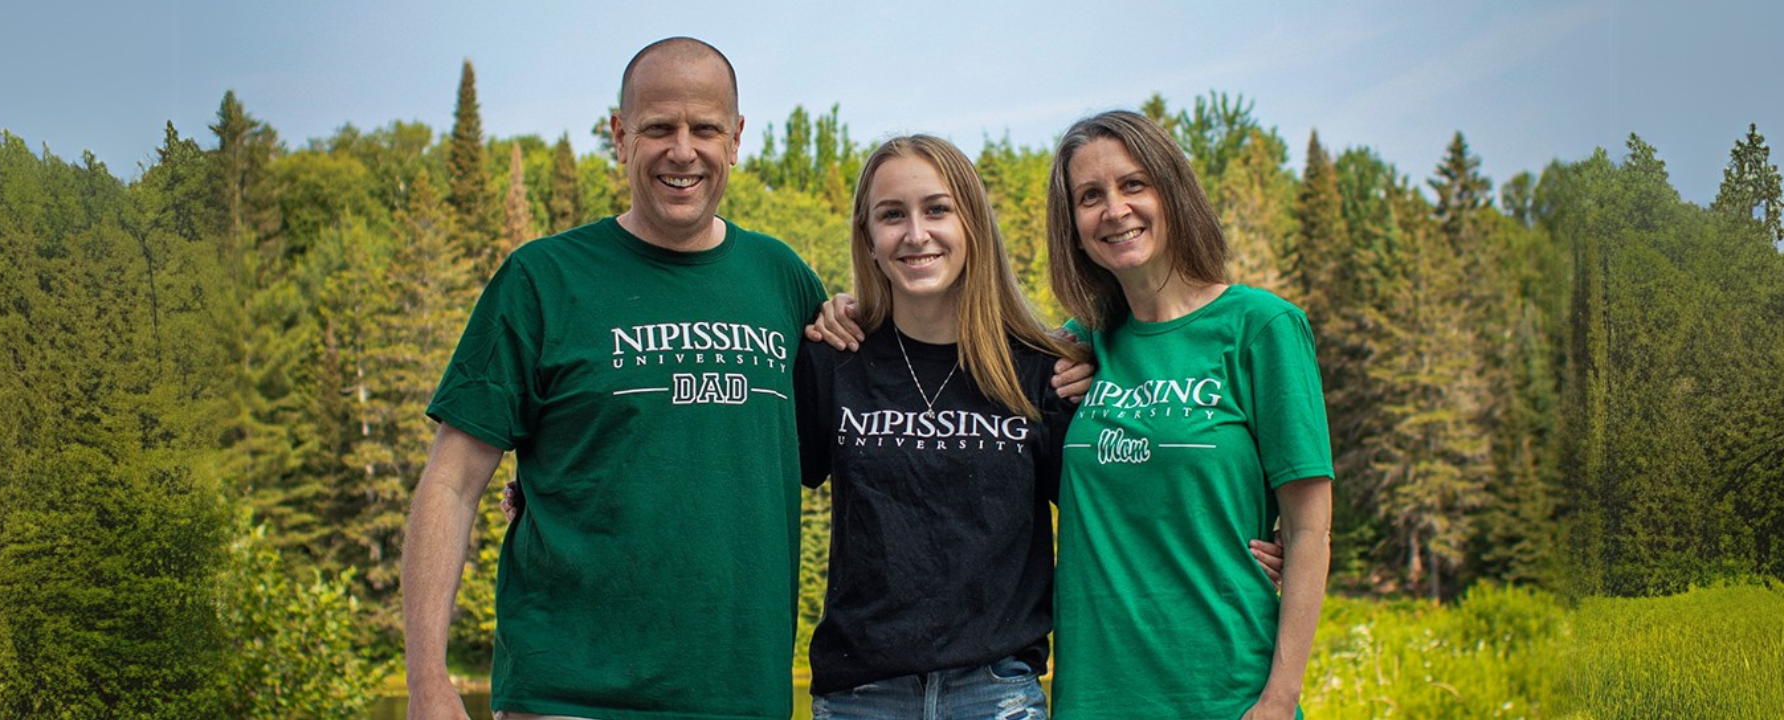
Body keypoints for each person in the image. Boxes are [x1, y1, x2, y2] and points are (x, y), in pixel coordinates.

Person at [401, 37, 826, 720]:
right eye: (658, 128)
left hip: (742, 698)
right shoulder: (542, 280)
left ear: (737, 139)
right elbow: (450, 484)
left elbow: (863, 438)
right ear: (620, 137)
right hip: (566, 696)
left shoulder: (783, 280)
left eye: (705, 128)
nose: (682, 151)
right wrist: (427, 681)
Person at [1044, 110, 1333, 720]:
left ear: (1172, 191)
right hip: (1094, 697)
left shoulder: (1262, 328)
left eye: (1133, 184)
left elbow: (1309, 531)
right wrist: (862, 310)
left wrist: (1280, 699)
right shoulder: (1080, 345)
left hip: (1228, 693)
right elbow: (961, 354)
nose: (1114, 210)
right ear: (1072, 227)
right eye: (1089, 196)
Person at [794, 135, 1078, 719]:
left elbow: (1113, 513)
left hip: (997, 692)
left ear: (973, 225)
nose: (916, 233)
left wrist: (1254, 544)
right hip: (860, 697)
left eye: (937, 209)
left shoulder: (1042, 371)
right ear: (868, 239)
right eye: (892, 215)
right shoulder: (833, 357)